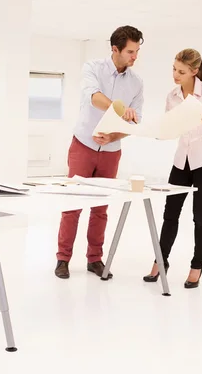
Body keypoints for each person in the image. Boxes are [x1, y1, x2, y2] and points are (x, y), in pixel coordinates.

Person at [55, 25, 144, 279]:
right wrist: (118, 108)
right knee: (72, 204)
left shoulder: (137, 83)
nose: (134, 57)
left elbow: (135, 122)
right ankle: (63, 259)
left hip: (111, 151)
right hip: (83, 145)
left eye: (137, 51)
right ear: (115, 49)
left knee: (101, 207)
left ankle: (95, 259)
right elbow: (93, 97)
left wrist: (114, 136)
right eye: (130, 51)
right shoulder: (92, 68)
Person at [143, 48, 202, 289]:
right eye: (174, 69)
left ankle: (196, 266)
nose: (175, 75)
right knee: (170, 214)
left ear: (194, 71)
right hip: (181, 162)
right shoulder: (172, 96)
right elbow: (171, 127)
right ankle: (161, 261)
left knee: (200, 216)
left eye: (181, 71)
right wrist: (160, 131)